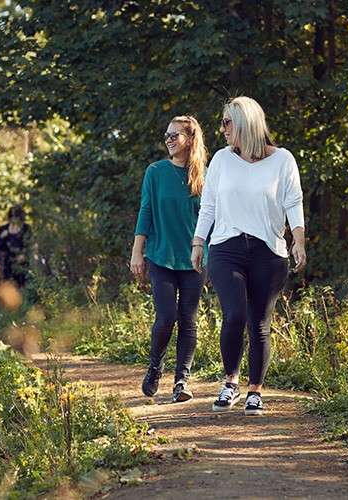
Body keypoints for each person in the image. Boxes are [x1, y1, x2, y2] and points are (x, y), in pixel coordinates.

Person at [191, 96, 306, 416]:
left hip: (268, 252)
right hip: (226, 248)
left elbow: (293, 202)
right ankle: (230, 382)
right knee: (235, 314)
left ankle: (255, 390)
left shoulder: (282, 160)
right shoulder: (222, 159)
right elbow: (209, 205)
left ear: (245, 123)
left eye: (227, 122)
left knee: (259, 323)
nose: (222, 129)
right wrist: (198, 242)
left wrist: (298, 241)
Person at [131, 115, 209, 403]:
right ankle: (155, 367)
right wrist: (137, 251)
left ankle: (181, 380)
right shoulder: (156, 171)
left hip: (194, 259)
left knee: (188, 319)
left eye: (175, 135)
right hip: (161, 256)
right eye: (167, 135)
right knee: (166, 317)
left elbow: (213, 217)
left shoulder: (205, 176)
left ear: (190, 139)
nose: (169, 140)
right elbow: (146, 211)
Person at [0, 205, 33, 288]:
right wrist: (2, 238)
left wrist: (24, 255)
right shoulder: (3, 229)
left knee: (21, 286)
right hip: (6, 264)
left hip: (21, 264)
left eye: (16, 216)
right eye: (12, 216)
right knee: (5, 286)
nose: (14, 219)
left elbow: (30, 245)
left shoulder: (26, 229)